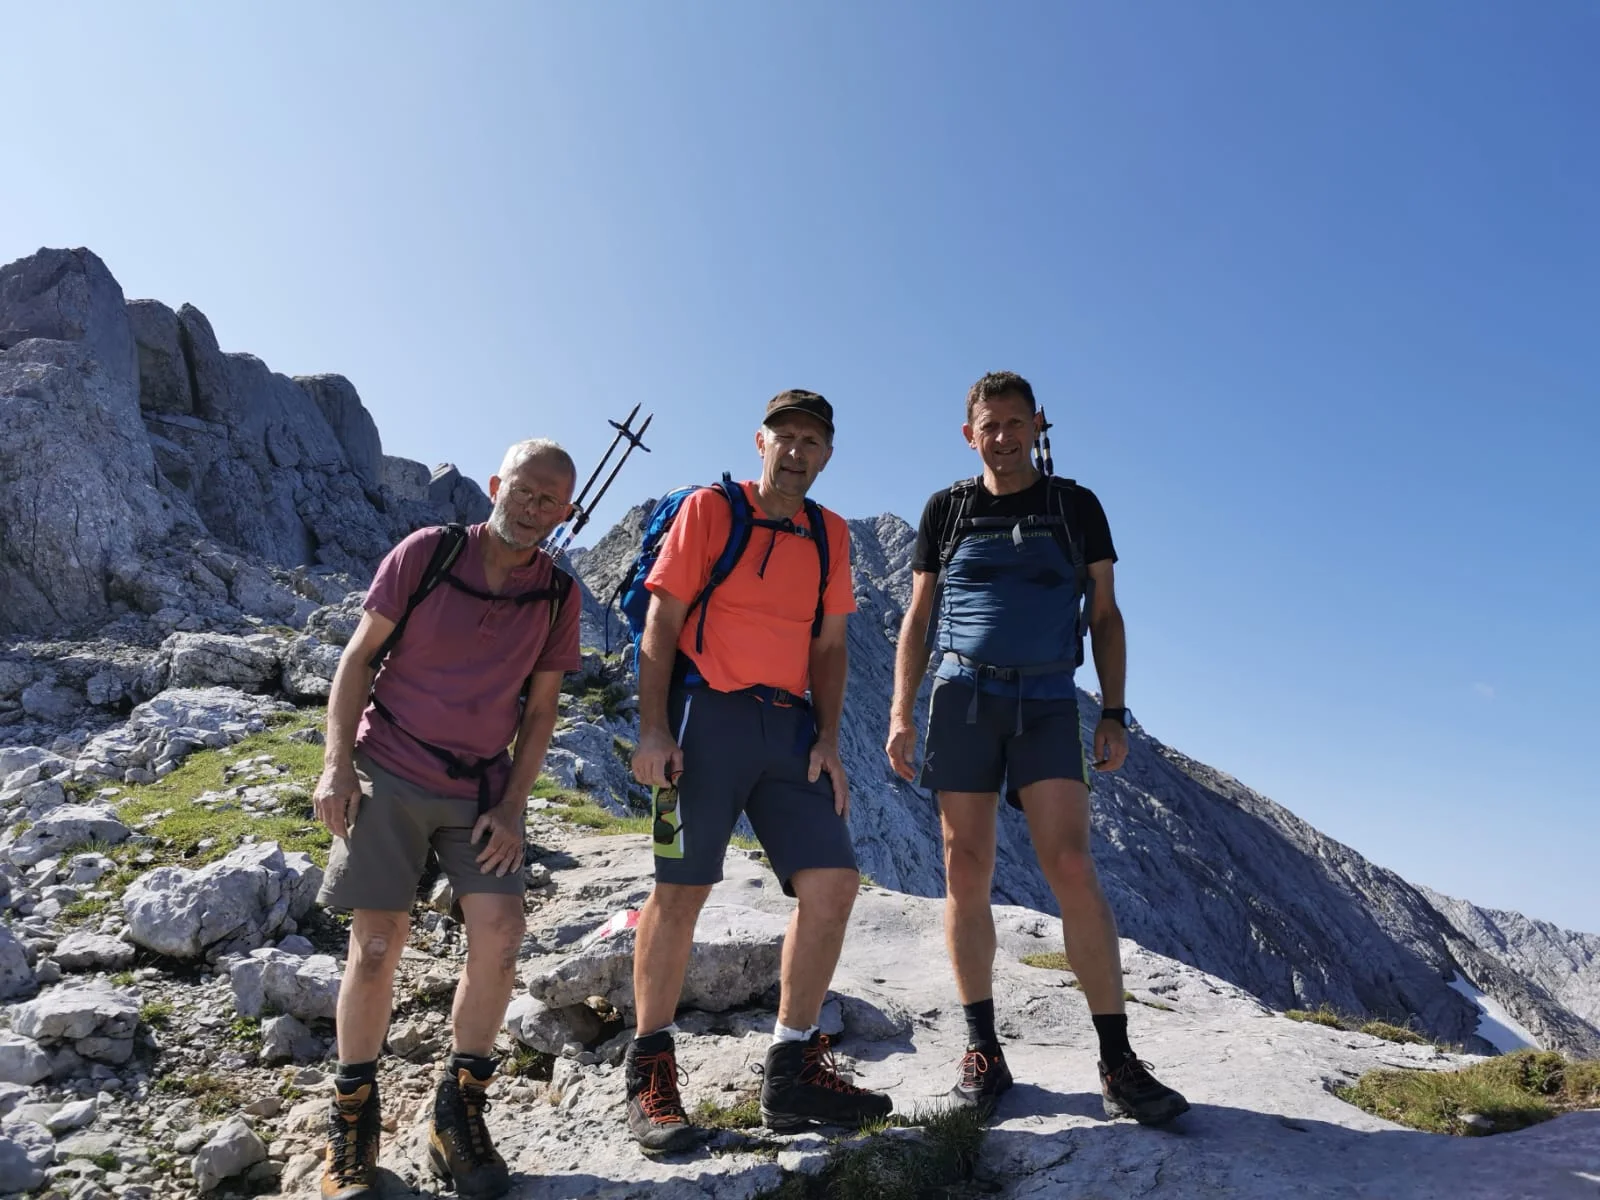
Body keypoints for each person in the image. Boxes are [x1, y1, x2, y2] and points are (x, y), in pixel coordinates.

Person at [885, 371, 1189, 1126]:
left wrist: (1114, 710)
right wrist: (900, 711)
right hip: (961, 697)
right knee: (965, 868)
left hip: (1050, 699)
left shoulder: (1074, 506)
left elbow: (1107, 615)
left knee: (1072, 864)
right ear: (970, 433)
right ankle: (982, 1047)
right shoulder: (947, 509)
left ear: (1037, 425)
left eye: (1017, 423)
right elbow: (918, 616)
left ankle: (1117, 1060)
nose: (1004, 437)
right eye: (990, 425)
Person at [311, 439, 583, 1199]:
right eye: (524, 491)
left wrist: (513, 805)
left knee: (500, 940)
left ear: (565, 512)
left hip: (478, 788)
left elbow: (541, 713)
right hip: (391, 765)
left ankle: (456, 1112)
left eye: (550, 501)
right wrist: (336, 764)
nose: (533, 510)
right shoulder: (426, 553)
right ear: (496, 485)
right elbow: (357, 660)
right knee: (374, 945)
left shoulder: (560, 596)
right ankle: (353, 1124)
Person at [623, 390, 893, 1153]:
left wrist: (831, 739)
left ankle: (791, 1069)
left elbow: (831, 647)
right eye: (785, 437)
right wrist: (651, 728)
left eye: (812, 441)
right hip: (704, 718)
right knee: (681, 891)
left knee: (833, 883)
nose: (797, 452)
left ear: (828, 454)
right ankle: (649, 1073)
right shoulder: (711, 510)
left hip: (791, 728)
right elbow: (661, 623)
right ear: (759, 442)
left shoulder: (828, 533)